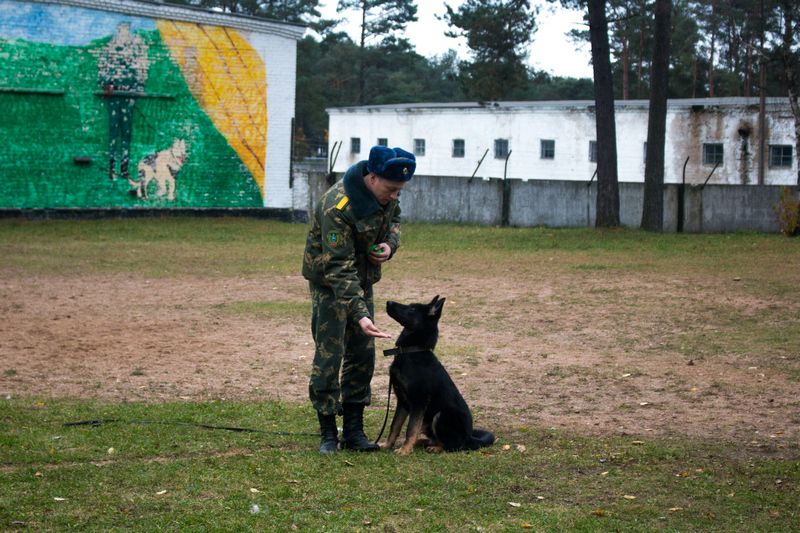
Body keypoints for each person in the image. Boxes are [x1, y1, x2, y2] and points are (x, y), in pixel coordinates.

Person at [302, 145, 415, 454]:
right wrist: (361, 314)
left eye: (399, 190)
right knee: (330, 355)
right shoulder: (337, 207)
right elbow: (337, 267)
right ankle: (328, 432)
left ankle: (354, 431)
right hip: (330, 286)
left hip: (362, 283)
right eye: (391, 189)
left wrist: (389, 246)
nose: (394, 196)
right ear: (372, 177)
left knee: (362, 356)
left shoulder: (387, 197)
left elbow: (395, 222)